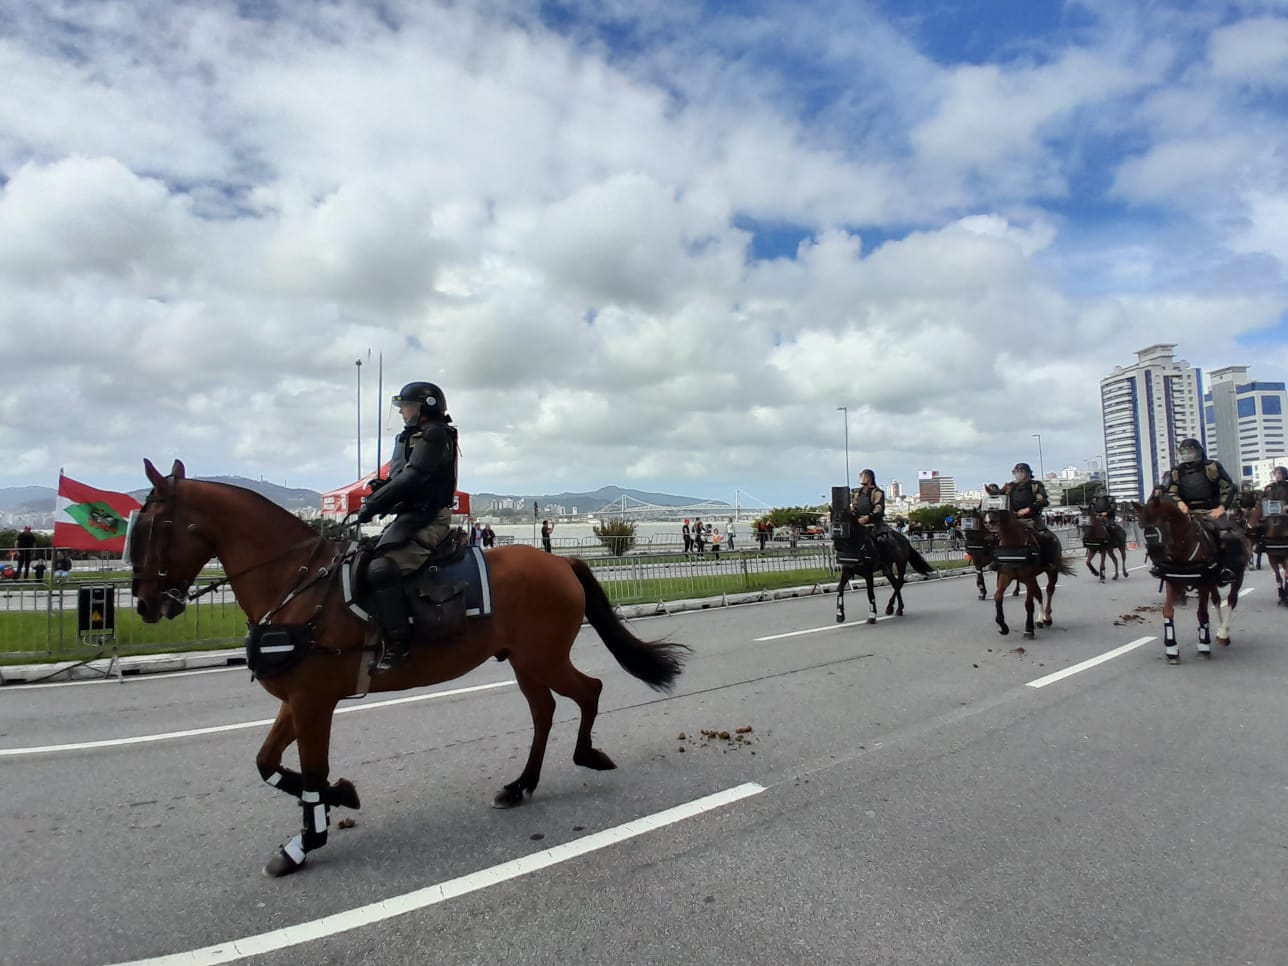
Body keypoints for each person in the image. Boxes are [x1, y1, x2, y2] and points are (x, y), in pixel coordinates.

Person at [357, 381, 460, 672]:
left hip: (431, 518)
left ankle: (399, 648)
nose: (402, 412)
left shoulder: (435, 435)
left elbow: (413, 478)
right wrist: (380, 489)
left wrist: (373, 505)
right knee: (361, 560)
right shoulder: (409, 437)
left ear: (426, 407)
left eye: (407, 406)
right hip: (410, 517)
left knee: (382, 569)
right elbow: (399, 479)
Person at [1164, 437, 1239, 582]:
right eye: (1184, 452)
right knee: (1168, 532)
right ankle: (1165, 565)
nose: (1187, 455)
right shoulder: (1176, 471)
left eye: (1190, 451)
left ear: (1198, 451)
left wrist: (1222, 507)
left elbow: (1229, 487)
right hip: (1187, 512)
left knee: (1225, 535)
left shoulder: (1212, 466)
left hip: (1210, 510)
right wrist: (1179, 502)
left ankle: (1225, 567)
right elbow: (1171, 491)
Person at [986, 462, 1057, 563]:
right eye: (1017, 472)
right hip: (1013, 518)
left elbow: (1043, 501)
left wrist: (1027, 509)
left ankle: (1048, 561)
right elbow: (1002, 499)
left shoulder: (1035, 485)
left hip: (1031, 518)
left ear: (1028, 473)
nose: (1019, 474)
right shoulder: (1009, 486)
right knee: (995, 536)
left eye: (1022, 472)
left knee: (1047, 537)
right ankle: (995, 559)